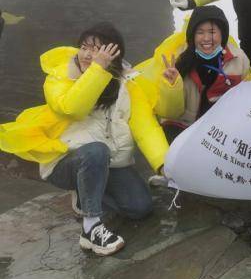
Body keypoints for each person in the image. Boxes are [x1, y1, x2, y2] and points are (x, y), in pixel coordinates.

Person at [0, 22, 170, 256]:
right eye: (85, 47)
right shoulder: (61, 76)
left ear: (114, 54)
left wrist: (163, 163)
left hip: (109, 163)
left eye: (98, 49)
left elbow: (145, 128)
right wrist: (97, 70)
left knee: (140, 207)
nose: (89, 54)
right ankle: (91, 227)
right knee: (95, 151)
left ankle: (84, 196)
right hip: (66, 161)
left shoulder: (128, 86)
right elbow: (72, 109)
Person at [137, 5, 250, 144]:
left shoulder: (239, 59)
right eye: (200, 32)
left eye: (212, 31)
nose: (206, 38)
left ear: (223, 33)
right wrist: (171, 85)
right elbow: (169, 113)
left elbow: (246, 101)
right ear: (192, 35)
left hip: (220, 129)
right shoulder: (175, 60)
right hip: (182, 126)